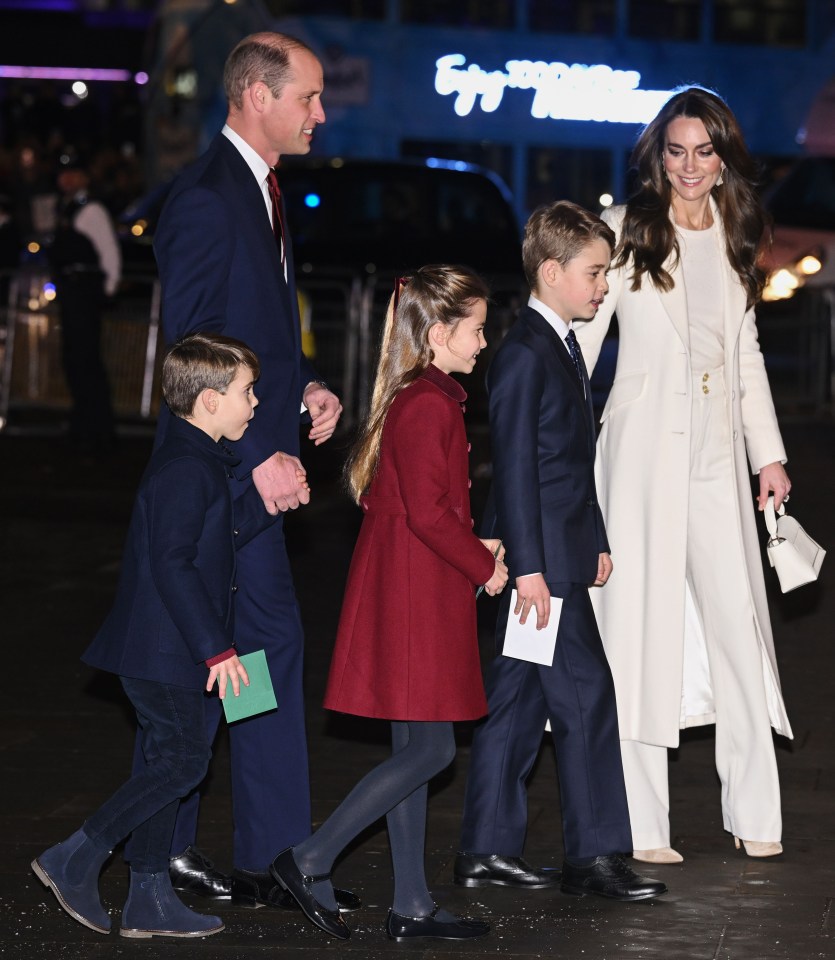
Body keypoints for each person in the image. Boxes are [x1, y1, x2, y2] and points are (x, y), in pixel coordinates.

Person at [139, 32, 349, 910]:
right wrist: (258, 448)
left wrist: (298, 384)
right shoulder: (205, 198)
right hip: (218, 484)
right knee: (210, 660)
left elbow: (247, 326)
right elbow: (189, 360)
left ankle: (265, 854)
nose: (320, 113)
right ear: (256, 95)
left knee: (251, 657)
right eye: (307, 97)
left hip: (251, 480)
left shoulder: (260, 191)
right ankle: (187, 847)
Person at [573, 86, 792, 864]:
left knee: (740, 626)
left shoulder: (737, 230)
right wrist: (559, 454)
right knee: (640, 632)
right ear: (656, 155)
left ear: (724, 155)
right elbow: (583, 347)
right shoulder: (625, 231)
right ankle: (642, 824)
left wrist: (766, 453)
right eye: (676, 150)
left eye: (705, 151)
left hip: (715, 458)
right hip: (638, 457)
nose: (690, 166)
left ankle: (754, 810)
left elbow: (745, 353)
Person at [270, 265, 509, 942]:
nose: (483, 342)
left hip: (412, 585)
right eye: (476, 329)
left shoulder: (418, 396)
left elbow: (408, 502)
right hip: (417, 595)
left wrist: (468, 542)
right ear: (437, 333)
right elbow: (430, 515)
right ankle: (310, 856)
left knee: (418, 744)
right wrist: (481, 563)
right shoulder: (427, 403)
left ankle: (409, 905)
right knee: (431, 751)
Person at [455, 201, 667, 902]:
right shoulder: (524, 353)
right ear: (551, 272)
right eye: (594, 273)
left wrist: (595, 535)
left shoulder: (558, 345)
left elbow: (568, 460)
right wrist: (534, 569)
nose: (603, 286)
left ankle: (484, 849)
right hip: (542, 567)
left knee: (515, 701)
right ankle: (595, 854)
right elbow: (512, 466)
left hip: (555, 552)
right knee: (586, 697)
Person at [31, 332, 275, 939]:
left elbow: (203, 541)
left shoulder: (197, 459)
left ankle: (148, 899)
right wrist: (216, 650)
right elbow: (172, 562)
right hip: (166, 650)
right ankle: (74, 855)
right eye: (249, 392)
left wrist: (263, 510)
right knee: (183, 761)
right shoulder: (186, 466)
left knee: (179, 763)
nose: (256, 403)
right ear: (211, 400)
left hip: (179, 648)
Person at [50, 150, 121, 454]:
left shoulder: (91, 210)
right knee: (75, 360)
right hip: (71, 291)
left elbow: (109, 253)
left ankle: (99, 430)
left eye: (73, 173)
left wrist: (107, 290)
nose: (66, 179)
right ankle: (84, 424)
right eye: (63, 173)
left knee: (86, 361)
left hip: (85, 292)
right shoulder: (65, 209)